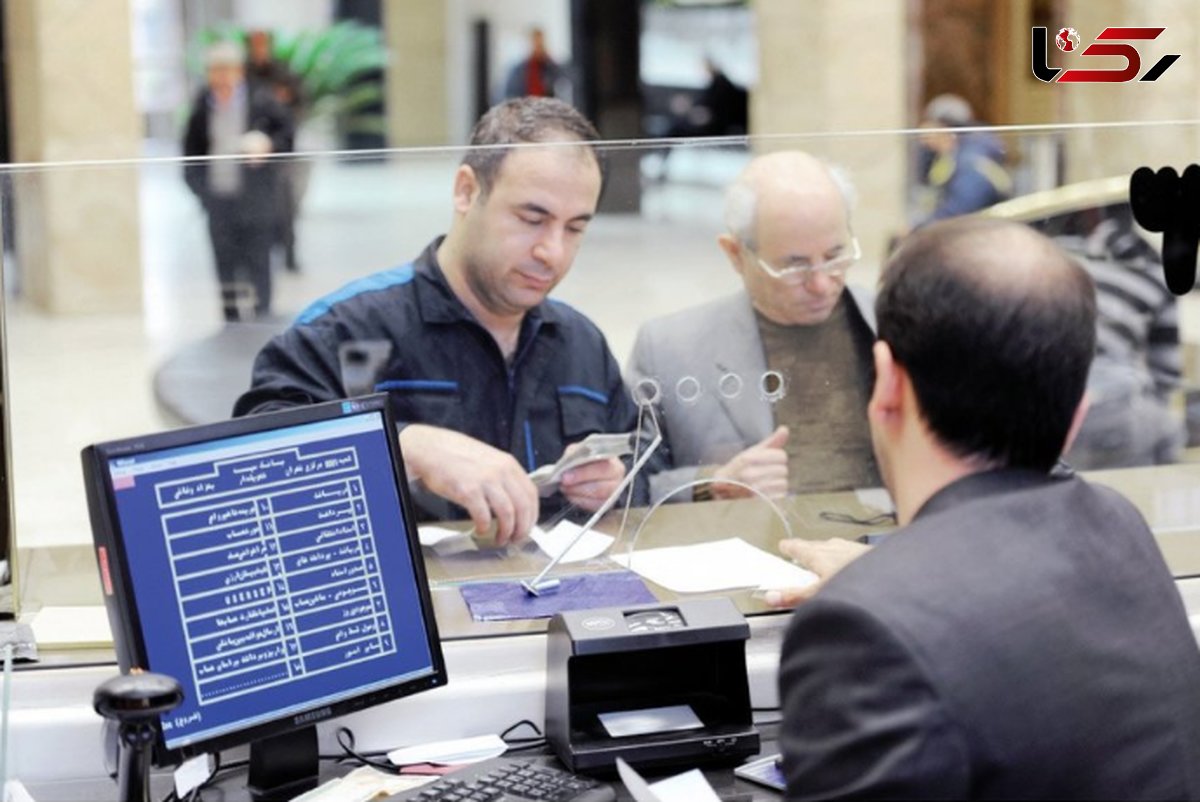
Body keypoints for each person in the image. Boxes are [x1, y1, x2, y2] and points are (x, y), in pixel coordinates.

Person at [776, 217, 1200, 798]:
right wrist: (894, 582)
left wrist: (887, 593)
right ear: (1078, 409)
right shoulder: (1117, 522)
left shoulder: (859, 629)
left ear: (887, 385)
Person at [234, 97, 637, 545]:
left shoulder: (581, 345)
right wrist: (405, 447)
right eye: (532, 218)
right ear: (466, 191)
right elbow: (255, 464)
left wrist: (612, 484)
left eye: (575, 228)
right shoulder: (347, 330)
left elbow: (643, 467)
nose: (553, 252)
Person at [627, 151, 880, 503]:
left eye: (836, 256)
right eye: (794, 266)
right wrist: (710, 482)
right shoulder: (671, 350)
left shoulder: (895, 327)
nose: (822, 284)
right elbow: (628, 489)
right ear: (735, 255)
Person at [1050, 207, 1185, 469]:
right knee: (1165, 437)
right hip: (1121, 412)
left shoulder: (1048, 260)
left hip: (1053, 407)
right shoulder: (1154, 269)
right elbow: (1166, 375)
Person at [183, 41, 294, 322]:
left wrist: (267, 144)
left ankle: (262, 316)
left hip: (255, 199)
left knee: (258, 260)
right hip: (219, 198)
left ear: (238, 71)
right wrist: (202, 193)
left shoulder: (261, 99)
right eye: (214, 70)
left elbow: (287, 136)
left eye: (226, 69)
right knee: (225, 263)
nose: (220, 77)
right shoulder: (201, 105)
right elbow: (190, 153)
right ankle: (231, 319)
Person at [913, 93, 1011, 227]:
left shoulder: (971, 160)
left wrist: (919, 229)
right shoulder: (946, 158)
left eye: (928, 123)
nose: (923, 131)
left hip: (978, 235)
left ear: (943, 127)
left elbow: (960, 208)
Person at [503, 28, 565, 100]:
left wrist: (550, 62)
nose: (537, 48)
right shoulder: (517, 70)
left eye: (540, 44)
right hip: (525, 107)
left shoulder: (549, 66)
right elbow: (510, 94)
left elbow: (563, 81)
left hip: (546, 107)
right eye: (535, 43)